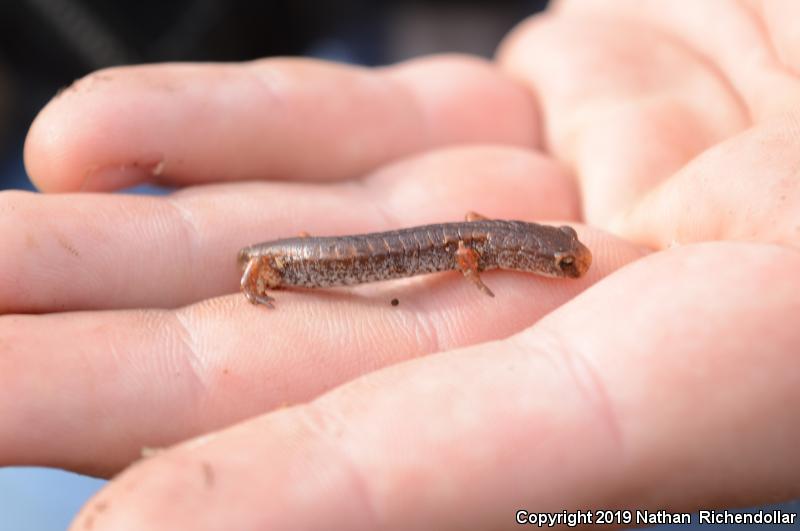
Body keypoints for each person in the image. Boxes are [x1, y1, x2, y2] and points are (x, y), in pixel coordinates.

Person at [4, 1, 799, 528]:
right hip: (300, 187)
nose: (564, 266)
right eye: (561, 263)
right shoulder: (477, 247)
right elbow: (467, 247)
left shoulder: (499, 242)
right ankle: (262, 273)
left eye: (559, 262)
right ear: (530, 250)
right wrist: (473, 271)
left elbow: (474, 242)